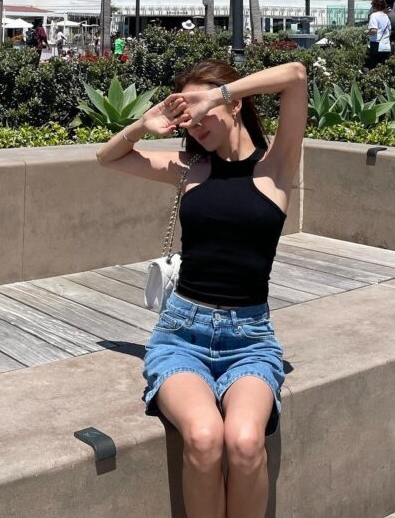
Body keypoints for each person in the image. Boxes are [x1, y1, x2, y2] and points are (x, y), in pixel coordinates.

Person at [96, 60, 307, 518]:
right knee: (205, 435)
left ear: (235, 105)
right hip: (180, 334)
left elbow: (295, 74)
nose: (192, 122)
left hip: (249, 340)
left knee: (246, 442)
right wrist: (142, 125)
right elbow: (107, 157)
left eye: (199, 109)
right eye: (184, 115)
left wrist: (218, 92)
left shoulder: (277, 166)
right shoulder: (190, 168)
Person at [367, 0, 392, 67]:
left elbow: (374, 30)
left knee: (372, 69)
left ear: (375, 5)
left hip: (376, 46)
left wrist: (367, 33)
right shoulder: (386, 16)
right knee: (383, 70)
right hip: (386, 47)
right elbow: (389, 31)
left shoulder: (374, 15)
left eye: (372, 4)